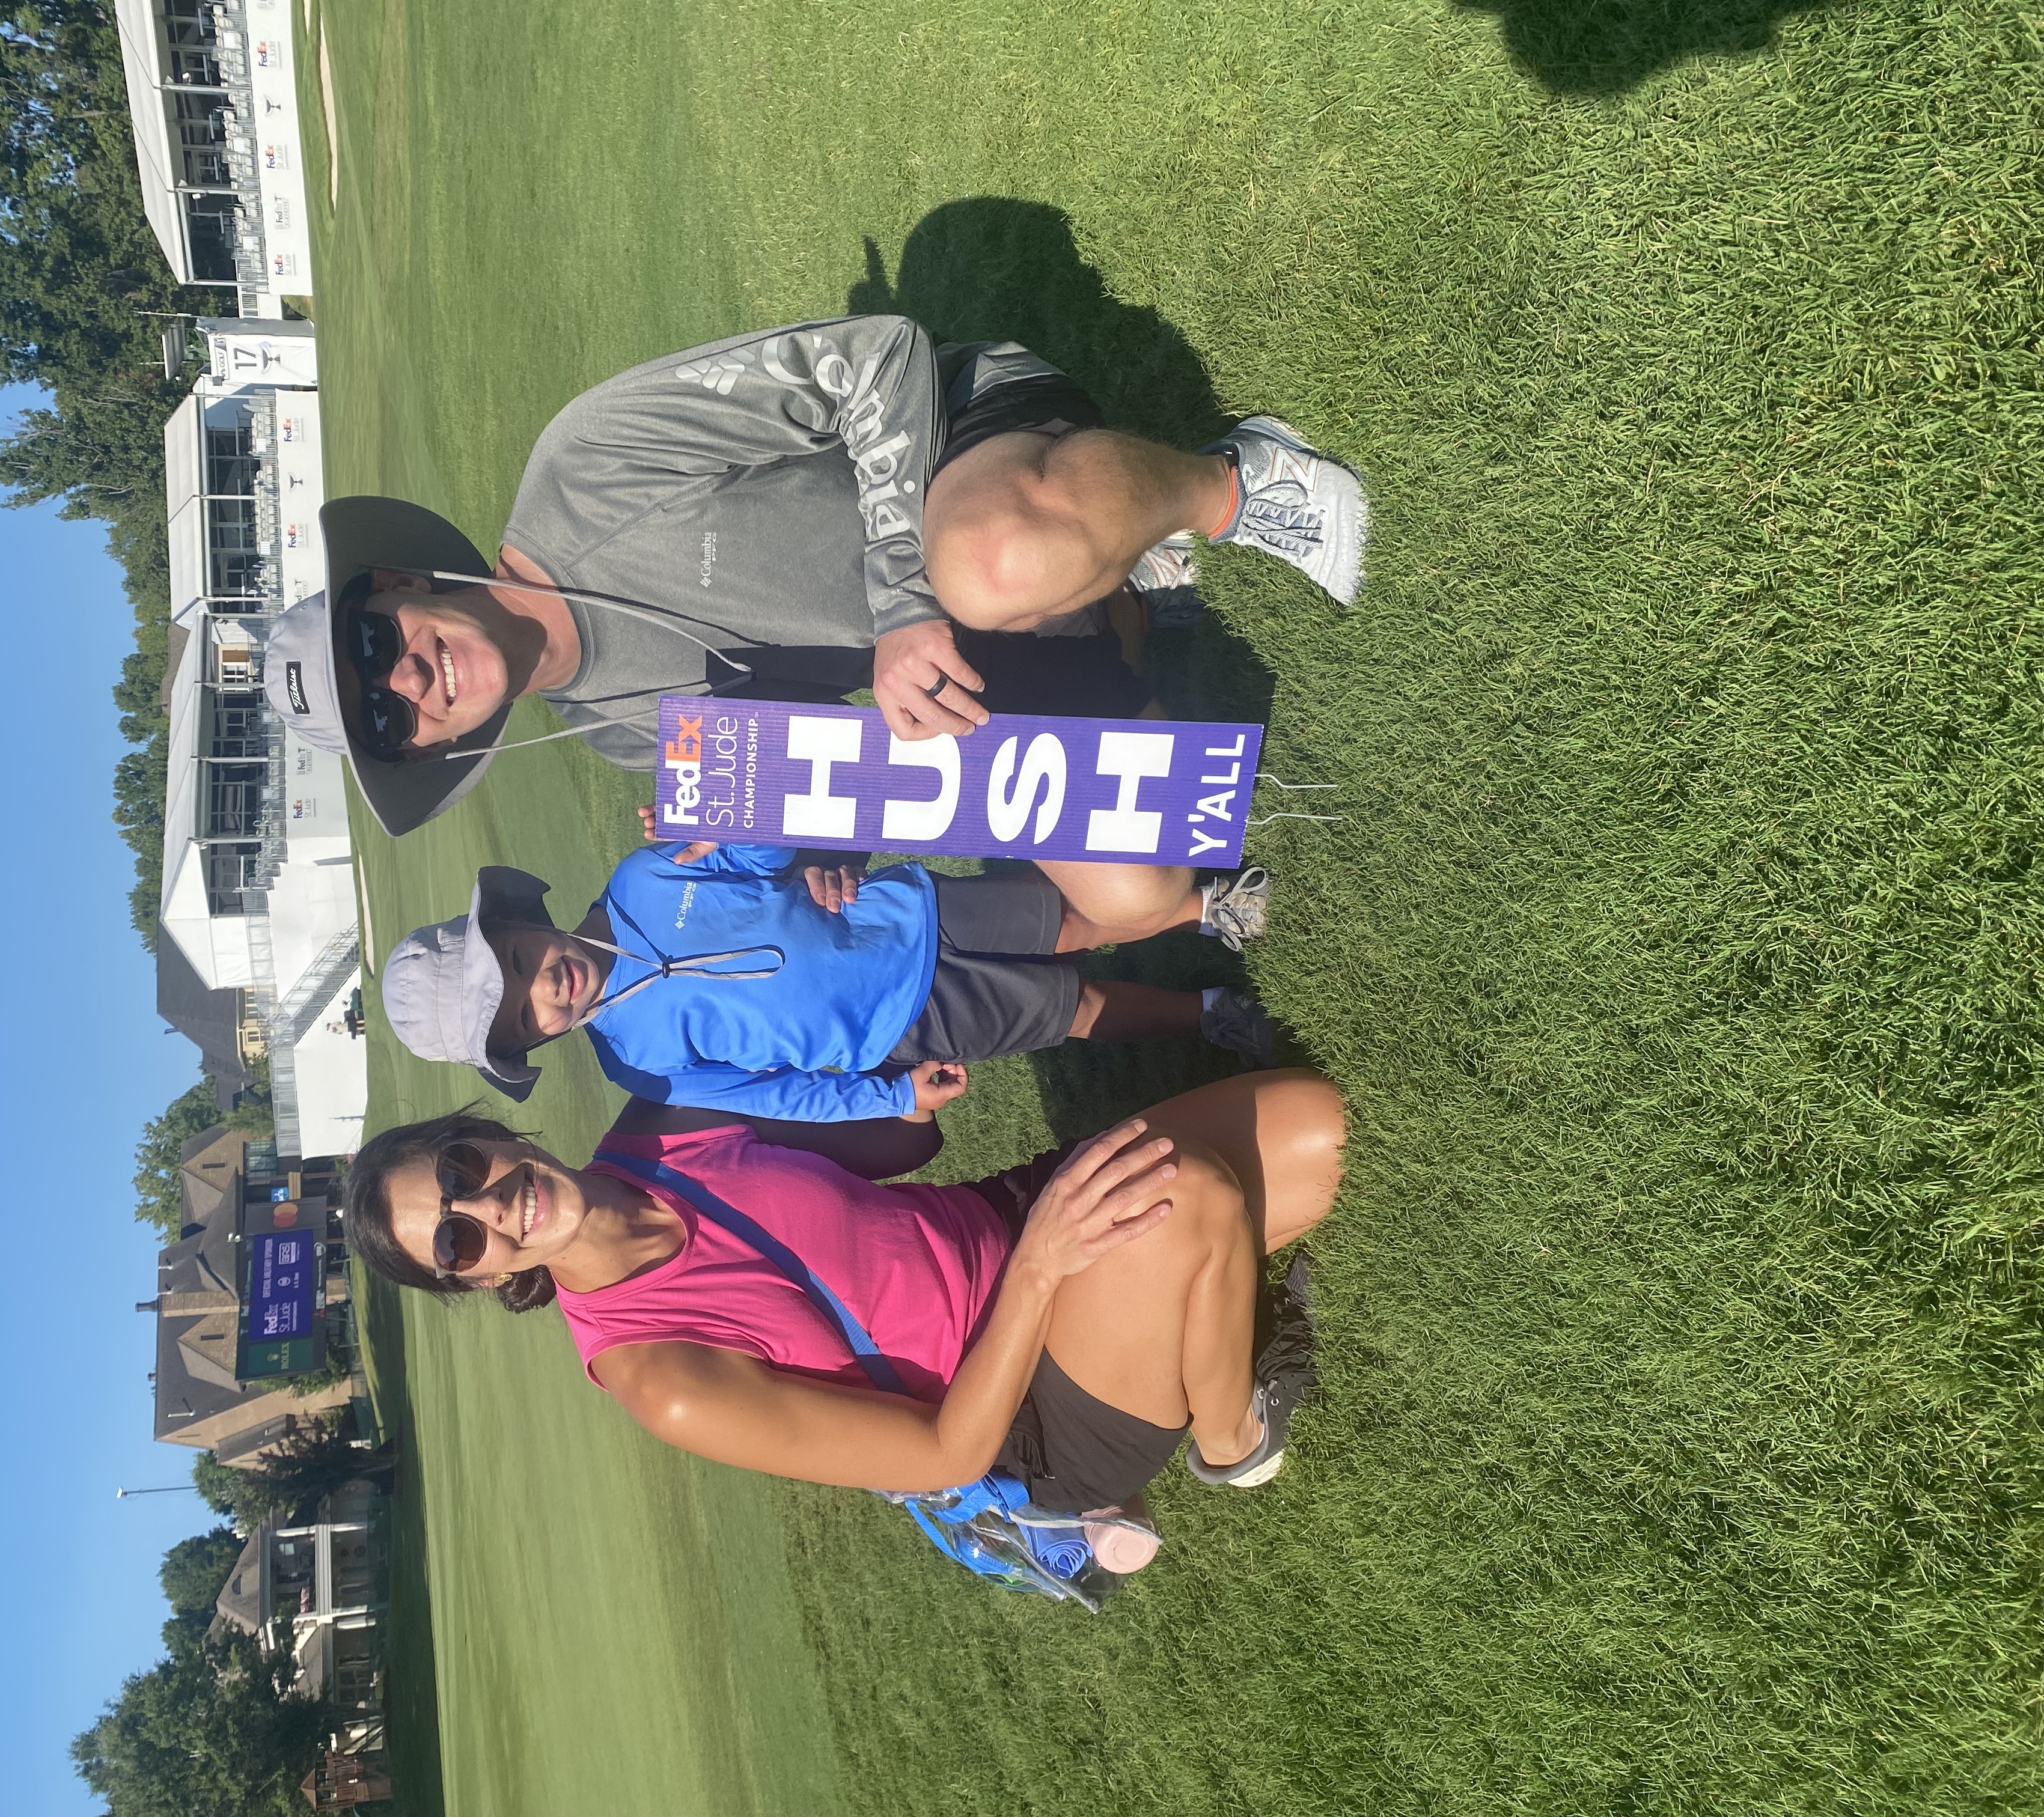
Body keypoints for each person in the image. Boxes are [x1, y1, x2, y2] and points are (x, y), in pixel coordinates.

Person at [263, 317, 1367, 943]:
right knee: (1145, 893)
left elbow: (874, 357)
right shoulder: (606, 734)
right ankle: (1119, 588)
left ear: (399, 579)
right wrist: (804, 837)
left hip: (962, 453)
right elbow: (849, 733)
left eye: (373, 645)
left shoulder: (584, 465)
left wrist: (901, 603)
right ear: (429, 747)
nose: (404, 679)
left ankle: (1234, 480)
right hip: (965, 646)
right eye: (384, 719)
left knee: (988, 570)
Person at [339, 1070, 1348, 1511]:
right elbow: (945, 1458)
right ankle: (1235, 1437)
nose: (494, 1208)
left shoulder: (661, 1123)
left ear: (483, 1134)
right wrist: (1043, 1267)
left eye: (461, 1173)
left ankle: (1191, 1308)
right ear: (480, 1278)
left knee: (1323, 1129)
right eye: (458, 1241)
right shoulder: (659, 1376)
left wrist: (882, 1076)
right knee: (1199, 1192)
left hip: (1012, 1219)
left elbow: (906, 1139)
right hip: (1033, 1405)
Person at [380, 848, 1276, 1118]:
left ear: (520, 921)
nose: (549, 980)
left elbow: (757, 851)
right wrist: (889, 1101)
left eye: (522, 958)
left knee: (1066, 920)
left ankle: (1203, 912)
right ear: (534, 1041)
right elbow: (783, 1098)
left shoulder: (640, 880)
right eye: (526, 1008)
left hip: (904, 918)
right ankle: (1204, 1014)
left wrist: (734, 825)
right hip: (900, 1029)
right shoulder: (640, 1067)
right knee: (1071, 1008)